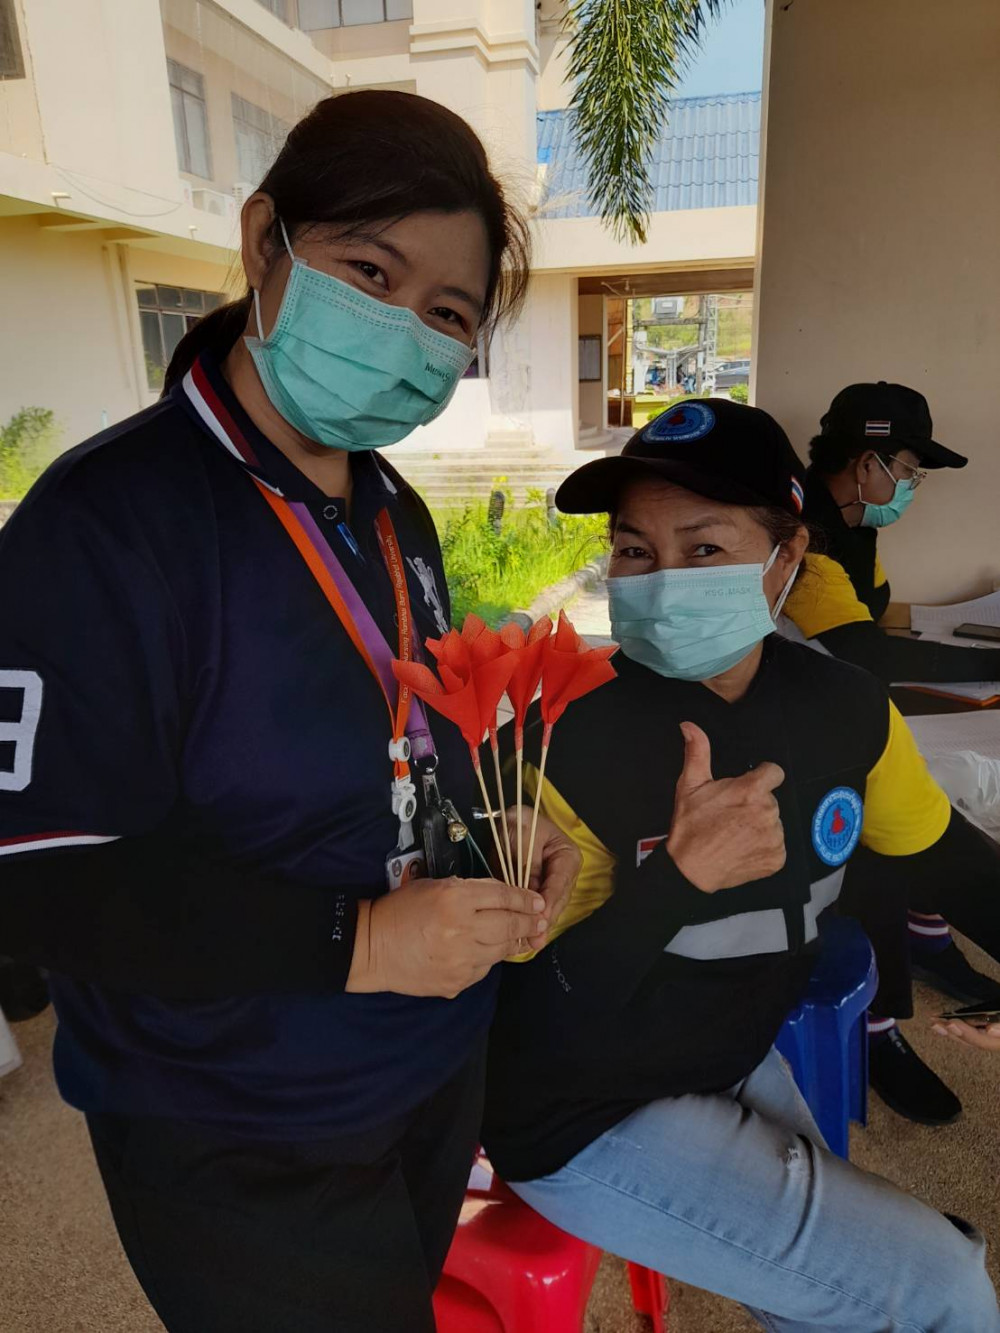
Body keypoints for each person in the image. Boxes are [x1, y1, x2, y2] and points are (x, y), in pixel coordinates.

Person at [0, 91, 578, 1333]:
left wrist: (496, 830)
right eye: (369, 271)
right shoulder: (105, 527)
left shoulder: (391, 510)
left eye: (447, 313)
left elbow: (406, 740)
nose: (403, 328)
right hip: (234, 1123)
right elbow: (39, 883)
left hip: (425, 1068)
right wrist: (358, 944)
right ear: (265, 241)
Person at [483, 399, 1000, 1332]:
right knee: (942, 1284)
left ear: (787, 557)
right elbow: (535, 1014)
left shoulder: (846, 709)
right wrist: (680, 879)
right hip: (580, 1108)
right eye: (635, 550)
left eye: (706, 548)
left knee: (841, 1300)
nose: (662, 581)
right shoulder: (563, 736)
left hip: (725, 1050)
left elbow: (949, 861)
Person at [783, 381, 1000, 1125]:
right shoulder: (803, 535)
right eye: (909, 469)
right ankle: (875, 1026)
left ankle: (928, 936)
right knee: (877, 841)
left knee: (930, 816)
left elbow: (870, 623)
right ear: (866, 462)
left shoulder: (856, 528)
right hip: (804, 736)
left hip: (849, 711)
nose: (911, 485)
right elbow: (866, 653)